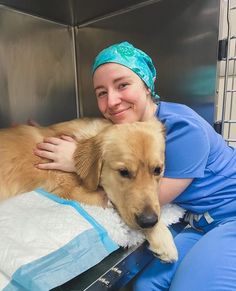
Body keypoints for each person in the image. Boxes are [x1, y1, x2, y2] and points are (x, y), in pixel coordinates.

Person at [34, 41, 236, 290]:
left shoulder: (182, 130)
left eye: (122, 85)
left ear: (147, 85)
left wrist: (78, 162)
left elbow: (145, 206)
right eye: (101, 93)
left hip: (230, 217)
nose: (112, 101)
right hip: (198, 221)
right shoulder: (131, 130)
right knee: (145, 287)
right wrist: (43, 132)